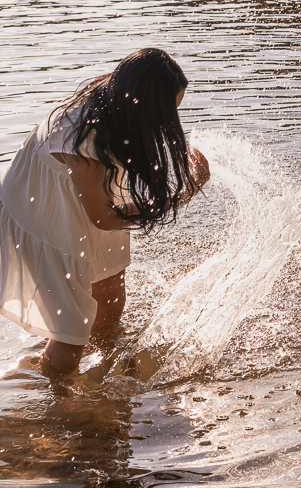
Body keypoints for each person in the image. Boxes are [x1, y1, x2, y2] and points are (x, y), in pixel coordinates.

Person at [0, 48, 210, 378]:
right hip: (44, 217)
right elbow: (105, 218)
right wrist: (183, 194)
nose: (169, 122)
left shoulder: (114, 97)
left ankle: (103, 377)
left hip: (86, 199)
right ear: (139, 101)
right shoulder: (83, 135)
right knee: (70, 336)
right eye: (164, 112)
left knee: (110, 301)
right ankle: (59, 407)